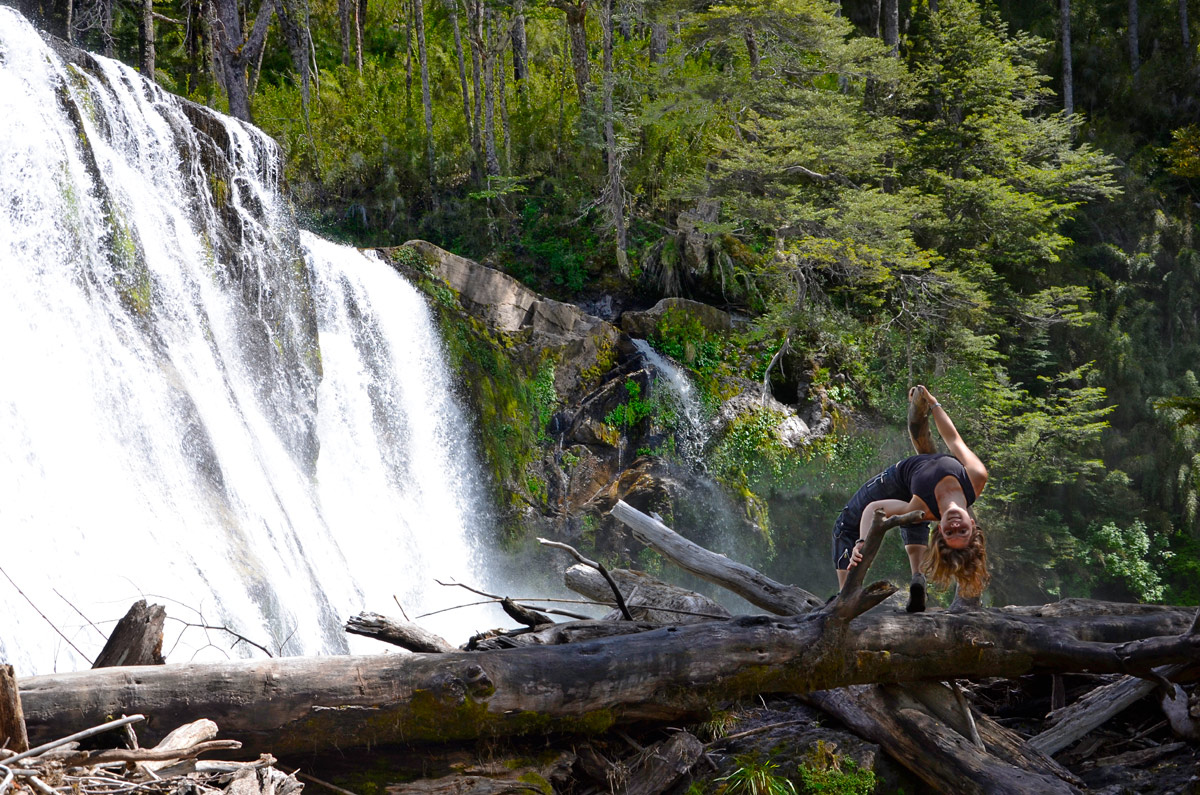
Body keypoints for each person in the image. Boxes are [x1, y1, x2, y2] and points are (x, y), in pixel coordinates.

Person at [832, 385, 989, 612]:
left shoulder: (921, 507)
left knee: (845, 526)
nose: (955, 526)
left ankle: (845, 598)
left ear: (940, 529)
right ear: (972, 524)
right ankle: (918, 576)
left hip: (895, 482)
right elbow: (953, 439)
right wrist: (933, 403)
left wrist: (862, 542)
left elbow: (874, 508)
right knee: (914, 519)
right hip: (916, 492)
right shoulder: (976, 478)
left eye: (950, 532)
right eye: (962, 531)